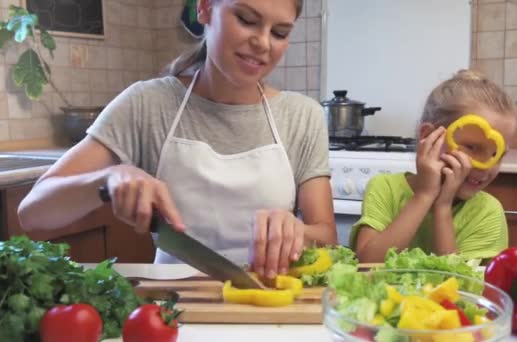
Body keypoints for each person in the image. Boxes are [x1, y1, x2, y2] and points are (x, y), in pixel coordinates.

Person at [17, 0, 337, 280]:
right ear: (205, 8)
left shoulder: (302, 116)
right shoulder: (147, 105)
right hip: (174, 307)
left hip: (271, 305)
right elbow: (33, 212)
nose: (263, 43)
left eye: (279, 32)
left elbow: (327, 237)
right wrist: (108, 178)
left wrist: (299, 233)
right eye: (247, 19)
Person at [351, 70, 517, 263]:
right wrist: (424, 195)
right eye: (472, 147)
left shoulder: (487, 211)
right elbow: (368, 265)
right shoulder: (384, 188)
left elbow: (460, 286)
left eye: (496, 155)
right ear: (429, 136)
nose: (487, 168)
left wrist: (442, 207)